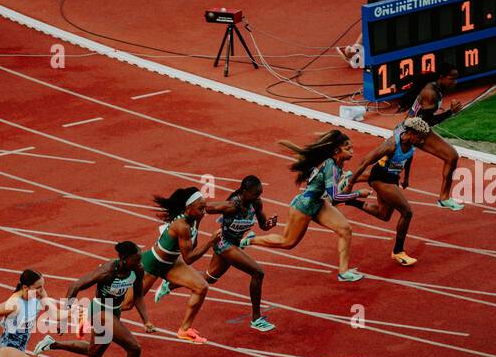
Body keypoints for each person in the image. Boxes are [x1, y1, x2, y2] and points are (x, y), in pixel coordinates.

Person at [34, 241, 156, 357]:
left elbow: (138, 296)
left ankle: (52, 343)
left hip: (114, 311)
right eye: (136, 259)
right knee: (134, 348)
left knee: (95, 351)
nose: (140, 262)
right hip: (100, 311)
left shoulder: (137, 269)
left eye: (140, 259)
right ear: (124, 259)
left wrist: (146, 320)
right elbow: (75, 286)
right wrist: (63, 319)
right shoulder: (107, 271)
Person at [154, 175, 278, 331]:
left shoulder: (256, 203)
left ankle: (171, 284)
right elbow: (201, 209)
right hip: (223, 244)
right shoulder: (231, 206)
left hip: (234, 244)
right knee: (258, 273)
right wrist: (190, 227)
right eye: (254, 193)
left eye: (259, 194)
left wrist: (270, 224)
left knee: (209, 278)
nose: (257, 197)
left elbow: (263, 226)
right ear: (244, 191)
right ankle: (256, 318)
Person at [248, 130, 368, 282]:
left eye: (352, 147)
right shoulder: (330, 165)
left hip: (318, 203)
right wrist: (358, 193)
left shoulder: (337, 163)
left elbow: (337, 184)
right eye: (348, 148)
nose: (352, 151)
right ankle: (250, 240)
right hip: (303, 207)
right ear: (337, 150)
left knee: (345, 229)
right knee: (287, 242)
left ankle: (343, 272)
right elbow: (335, 197)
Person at [341, 117, 433, 266]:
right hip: (380, 178)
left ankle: (349, 200)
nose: (421, 141)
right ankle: (398, 251)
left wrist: (406, 177)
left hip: (393, 179)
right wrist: (350, 184)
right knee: (407, 212)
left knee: (383, 215)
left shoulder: (411, 144)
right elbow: (366, 161)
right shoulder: (391, 145)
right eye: (419, 137)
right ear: (410, 133)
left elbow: (408, 158)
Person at [138, 186, 215, 344]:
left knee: (201, 287)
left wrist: (198, 222)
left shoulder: (193, 219)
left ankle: (184, 330)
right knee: (127, 304)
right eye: (201, 208)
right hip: (152, 264)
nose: (204, 211)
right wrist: (211, 242)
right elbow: (189, 258)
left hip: (170, 262)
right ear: (189, 207)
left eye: (204, 208)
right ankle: (90, 314)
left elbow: (192, 245)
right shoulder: (181, 225)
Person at [397, 62, 465, 210]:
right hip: (410, 132)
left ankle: (444, 198)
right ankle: (350, 180)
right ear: (441, 77)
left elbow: (425, 120)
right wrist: (450, 112)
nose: (455, 82)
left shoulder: (438, 87)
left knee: (452, 156)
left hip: (420, 128)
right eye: (452, 78)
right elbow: (428, 121)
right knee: (386, 168)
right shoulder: (431, 93)